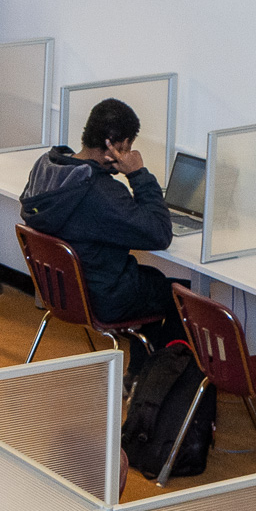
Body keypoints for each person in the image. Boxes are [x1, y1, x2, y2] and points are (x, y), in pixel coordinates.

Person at [19, 98, 181, 354]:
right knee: (180, 297)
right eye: (127, 147)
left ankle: (140, 376)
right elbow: (160, 234)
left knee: (150, 282)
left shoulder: (48, 168)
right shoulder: (102, 193)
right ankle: (156, 387)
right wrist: (138, 174)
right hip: (102, 298)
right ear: (117, 146)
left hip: (62, 293)